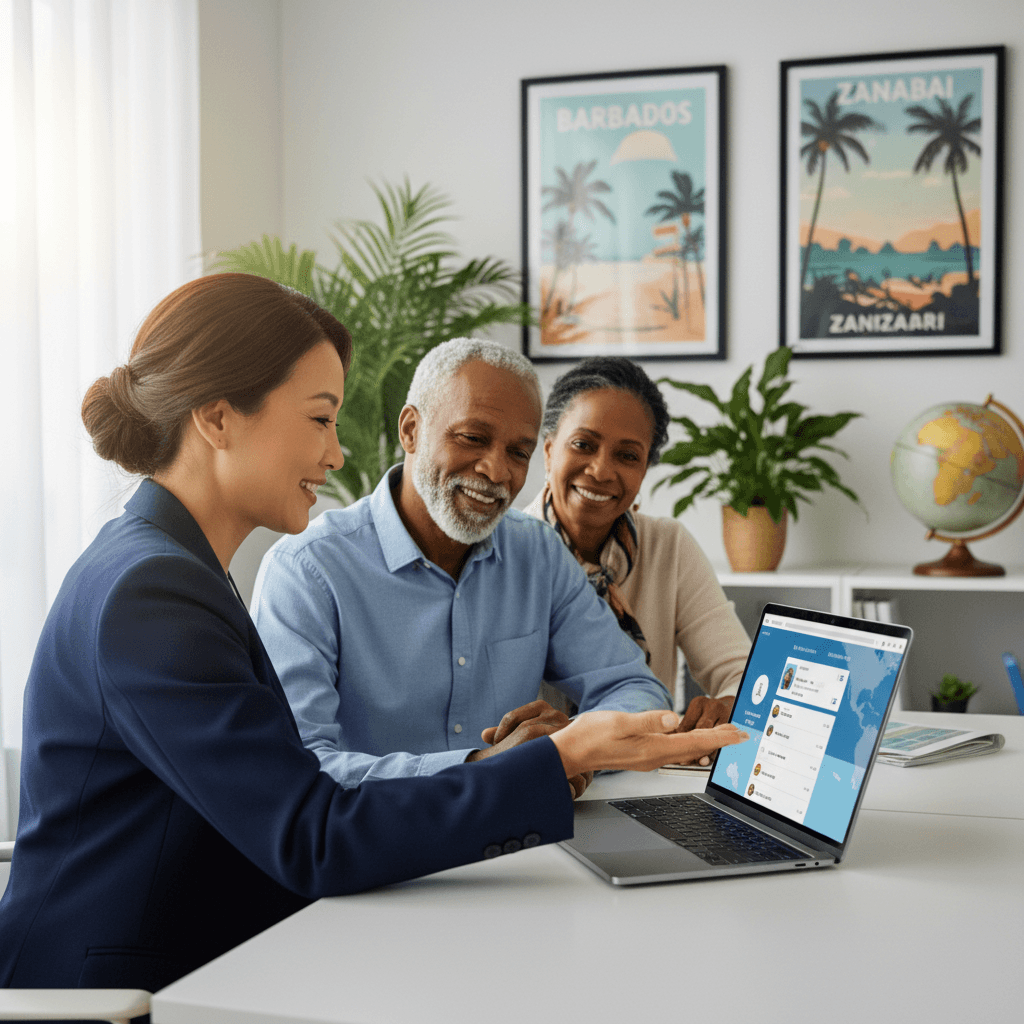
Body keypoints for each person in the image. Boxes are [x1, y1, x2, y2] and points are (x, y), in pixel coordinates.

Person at [0, 275, 746, 992]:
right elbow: (311, 830)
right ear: (218, 417)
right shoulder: (154, 592)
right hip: (127, 985)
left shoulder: (169, 566)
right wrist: (555, 757)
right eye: (319, 419)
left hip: (226, 943)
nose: (335, 453)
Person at [253, 338, 676, 797]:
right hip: (379, 853)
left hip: (524, 840)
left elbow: (636, 688)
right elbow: (297, 765)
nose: (496, 471)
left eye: (519, 452)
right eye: (473, 438)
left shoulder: (537, 553)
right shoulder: (307, 570)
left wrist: (570, 746)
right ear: (411, 429)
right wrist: (481, 766)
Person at [522, 356, 751, 746]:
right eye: (583, 444)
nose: (600, 470)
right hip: (536, 773)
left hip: (643, 773)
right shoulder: (508, 552)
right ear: (548, 451)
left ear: (644, 471)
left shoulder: (669, 545)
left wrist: (730, 703)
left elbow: (742, 671)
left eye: (627, 456)